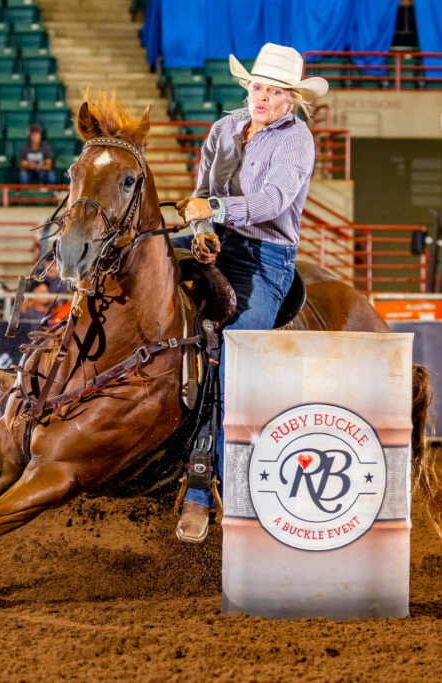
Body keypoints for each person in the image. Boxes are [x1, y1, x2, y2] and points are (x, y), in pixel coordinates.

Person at [173, 43, 329, 544]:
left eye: (274, 91)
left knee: (233, 359)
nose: (261, 97)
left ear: (292, 99)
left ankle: (201, 490)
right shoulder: (224, 129)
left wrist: (213, 209)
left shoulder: (297, 140)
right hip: (217, 242)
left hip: (264, 258)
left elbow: (272, 202)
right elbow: (200, 194)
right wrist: (202, 228)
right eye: (258, 87)